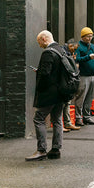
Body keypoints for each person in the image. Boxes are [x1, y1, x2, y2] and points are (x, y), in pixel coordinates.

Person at [26, 30, 67, 161]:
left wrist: (40, 88)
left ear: (44, 39)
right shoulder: (61, 50)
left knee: (39, 118)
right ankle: (56, 149)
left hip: (50, 93)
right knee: (57, 119)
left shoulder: (48, 52)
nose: (39, 46)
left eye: (39, 42)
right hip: (62, 91)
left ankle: (41, 150)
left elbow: (45, 74)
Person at [74, 27, 94, 126]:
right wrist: (89, 57)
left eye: (91, 36)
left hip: (92, 75)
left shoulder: (92, 46)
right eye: (88, 36)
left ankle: (87, 116)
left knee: (89, 97)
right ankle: (78, 117)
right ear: (83, 37)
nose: (90, 38)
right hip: (83, 76)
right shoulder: (78, 47)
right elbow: (77, 59)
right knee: (81, 97)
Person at [63, 38, 80, 132]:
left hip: (68, 81)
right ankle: (63, 124)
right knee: (62, 104)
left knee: (67, 103)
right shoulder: (64, 53)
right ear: (70, 46)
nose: (75, 50)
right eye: (74, 48)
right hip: (65, 82)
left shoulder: (68, 53)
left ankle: (67, 123)